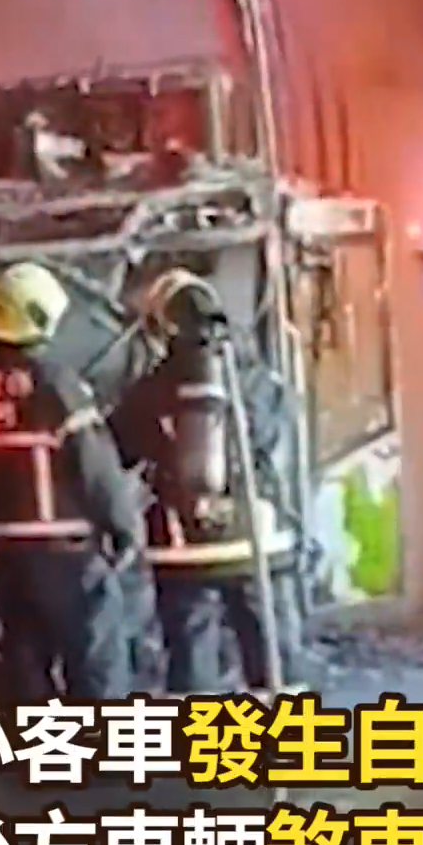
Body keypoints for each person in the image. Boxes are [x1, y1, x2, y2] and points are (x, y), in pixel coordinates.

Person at [0, 262, 144, 703]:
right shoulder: (57, 384)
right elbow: (95, 465)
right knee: (96, 664)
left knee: (26, 666)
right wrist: (123, 527)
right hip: (66, 555)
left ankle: (39, 745)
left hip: (6, 558)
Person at [109, 269, 306, 694]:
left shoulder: (151, 388)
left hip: (182, 546)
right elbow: (280, 427)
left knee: (191, 657)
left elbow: (119, 449)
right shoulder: (255, 379)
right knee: (272, 658)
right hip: (254, 539)